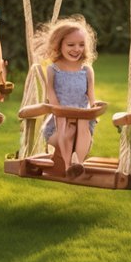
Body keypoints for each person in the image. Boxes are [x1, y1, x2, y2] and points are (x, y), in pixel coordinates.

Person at [36, 16, 99, 178]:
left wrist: (95, 105)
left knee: (83, 118)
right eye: (71, 45)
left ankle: (78, 163)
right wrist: (61, 112)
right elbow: (52, 96)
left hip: (82, 124)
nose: (76, 49)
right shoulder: (53, 69)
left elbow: (91, 97)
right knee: (67, 127)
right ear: (59, 45)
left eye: (81, 45)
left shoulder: (87, 70)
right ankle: (68, 164)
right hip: (58, 124)